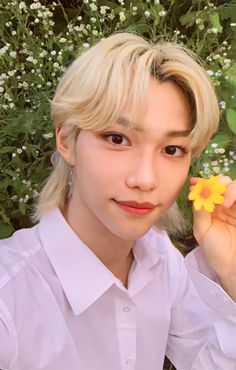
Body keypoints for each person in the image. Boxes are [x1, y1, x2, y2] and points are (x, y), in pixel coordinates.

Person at [0, 32, 236, 370]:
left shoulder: (160, 260)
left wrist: (230, 271)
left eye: (172, 150)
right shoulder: (9, 302)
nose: (145, 179)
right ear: (67, 140)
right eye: (117, 138)